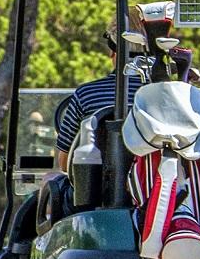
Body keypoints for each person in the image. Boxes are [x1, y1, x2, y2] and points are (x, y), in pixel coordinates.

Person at [54, 14, 154, 172]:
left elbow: (65, 162)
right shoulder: (165, 98)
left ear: (113, 52)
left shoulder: (86, 94)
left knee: (50, 179)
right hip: (152, 187)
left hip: (94, 189)